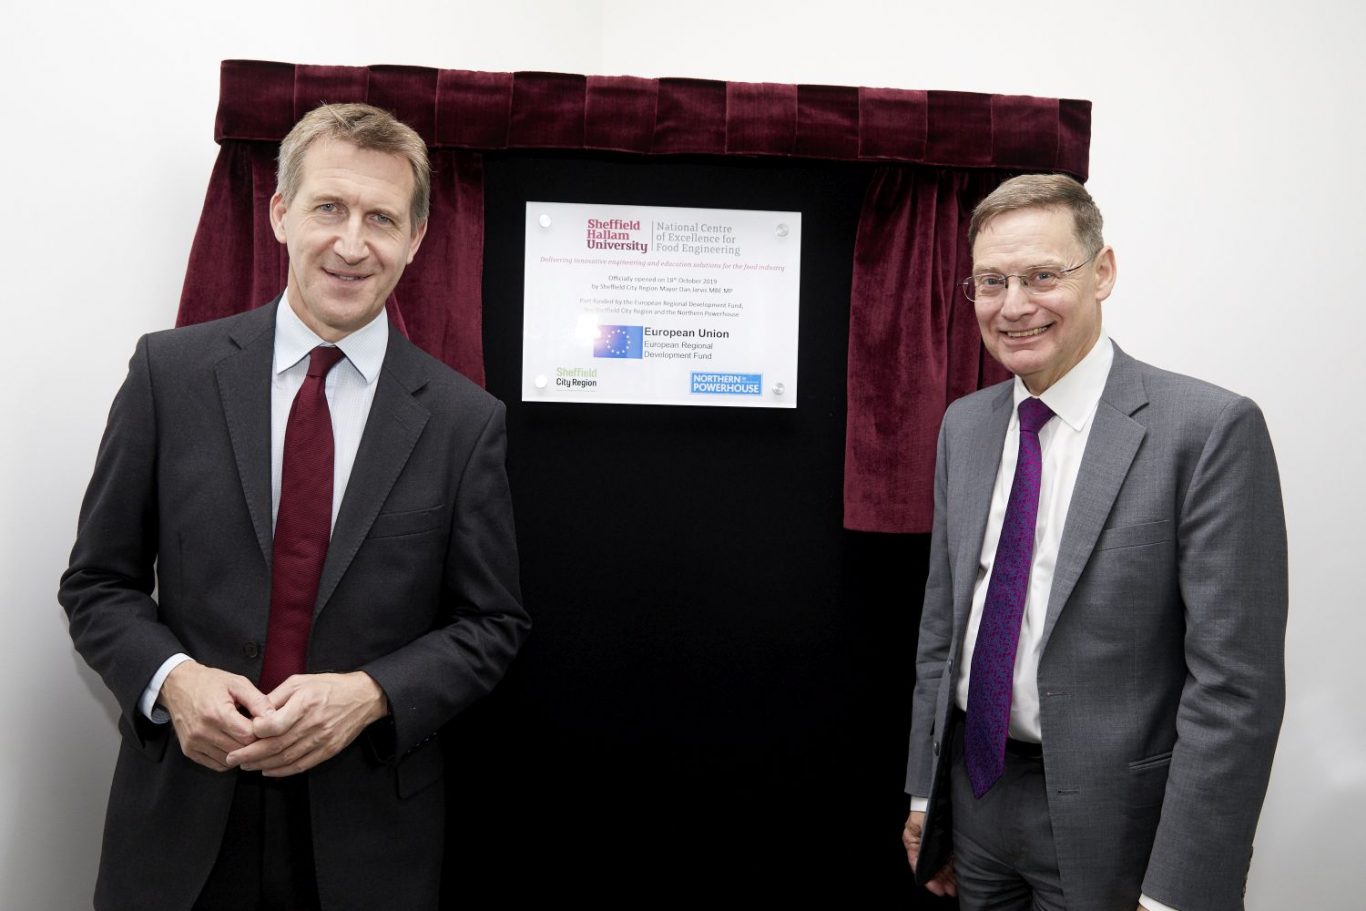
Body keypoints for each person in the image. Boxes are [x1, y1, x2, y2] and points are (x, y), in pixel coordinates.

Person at [60, 102, 529, 910]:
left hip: (367, 839)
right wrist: (173, 680)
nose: (351, 243)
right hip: (178, 822)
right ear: (281, 214)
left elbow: (492, 622)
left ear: (417, 238)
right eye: (329, 207)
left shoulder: (464, 421)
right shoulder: (169, 375)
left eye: (382, 218)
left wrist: (372, 693)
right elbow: (98, 583)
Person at [901, 174, 1286, 911]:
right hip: (976, 801)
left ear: (1102, 272)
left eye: (1043, 275)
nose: (1014, 305)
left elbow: (1235, 691)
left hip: (1119, 831)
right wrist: (927, 796)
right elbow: (941, 629)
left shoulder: (1207, 431)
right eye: (992, 281)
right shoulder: (965, 426)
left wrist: (1178, 890)